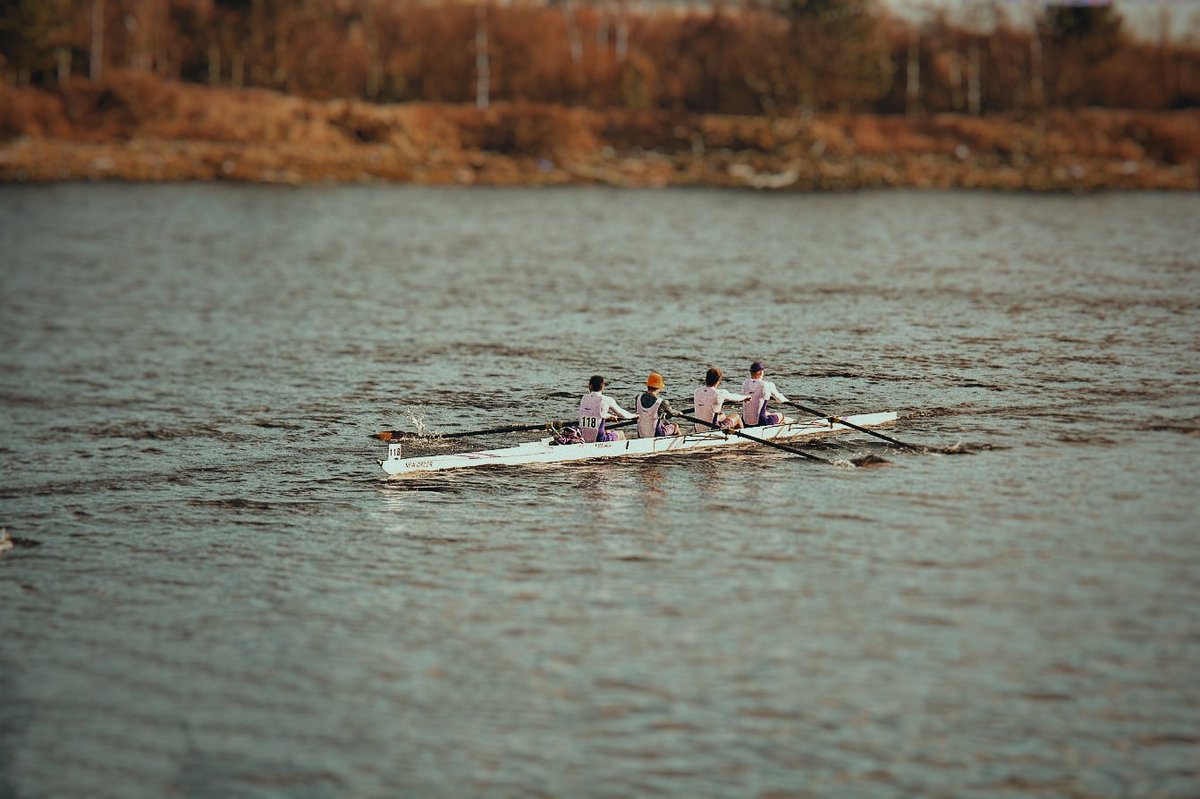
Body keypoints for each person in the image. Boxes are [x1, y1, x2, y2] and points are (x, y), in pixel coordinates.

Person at [578, 375, 635, 442]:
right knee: (621, 434)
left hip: (583, 436)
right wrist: (634, 416)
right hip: (599, 438)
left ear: (590, 386)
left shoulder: (584, 398)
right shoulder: (606, 399)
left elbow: (594, 413)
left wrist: (609, 416)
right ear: (603, 386)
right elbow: (622, 414)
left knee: (608, 431)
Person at [693, 367, 750, 432]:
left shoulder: (696, 391)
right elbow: (736, 398)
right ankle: (740, 438)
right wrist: (746, 397)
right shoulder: (720, 393)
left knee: (722, 415)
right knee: (736, 416)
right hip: (714, 429)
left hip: (698, 429)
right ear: (718, 380)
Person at [741, 361, 789, 427]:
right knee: (780, 415)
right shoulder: (767, 384)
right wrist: (788, 402)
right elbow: (780, 400)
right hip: (761, 422)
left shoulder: (745, 383)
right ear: (761, 372)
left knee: (767, 413)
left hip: (745, 422)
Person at [634, 372, 681, 438]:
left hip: (641, 434)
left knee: (661, 424)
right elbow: (673, 413)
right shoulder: (662, 402)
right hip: (657, 434)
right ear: (660, 387)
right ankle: (681, 444)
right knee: (675, 426)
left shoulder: (638, 398)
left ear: (647, 386)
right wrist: (679, 413)